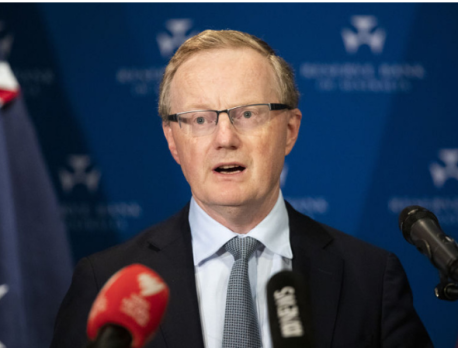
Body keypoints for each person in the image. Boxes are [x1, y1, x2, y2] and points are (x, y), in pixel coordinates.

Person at [51, 29, 433, 348]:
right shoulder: (106, 281)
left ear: (289, 130)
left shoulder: (370, 278)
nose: (224, 138)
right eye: (199, 119)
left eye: (247, 114)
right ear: (172, 140)